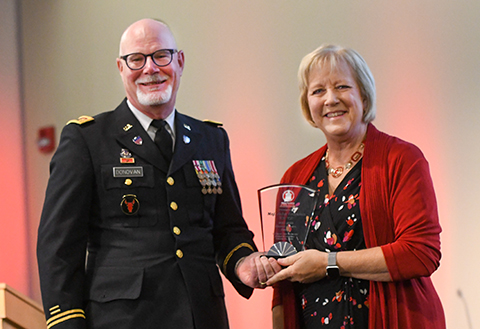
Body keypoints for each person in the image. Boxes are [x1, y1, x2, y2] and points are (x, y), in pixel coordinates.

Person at [37, 18, 277, 329]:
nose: (150, 68)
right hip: (122, 320)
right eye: (136, 59)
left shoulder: (210, 139)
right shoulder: (87, 139)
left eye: (161, 55)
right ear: (121, 68)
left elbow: (228, 229)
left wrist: (243, 263)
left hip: (202, 317)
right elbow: (58, 247)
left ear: (179, 61)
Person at [266, 44, 446, 329]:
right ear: (308, 105)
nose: (331, 99)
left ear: (363, 95)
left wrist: (329, 262)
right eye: (318, 91)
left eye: (341, 86)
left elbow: (420, 253)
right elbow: (283, 281)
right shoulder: (295, 175)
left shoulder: (402, 159)